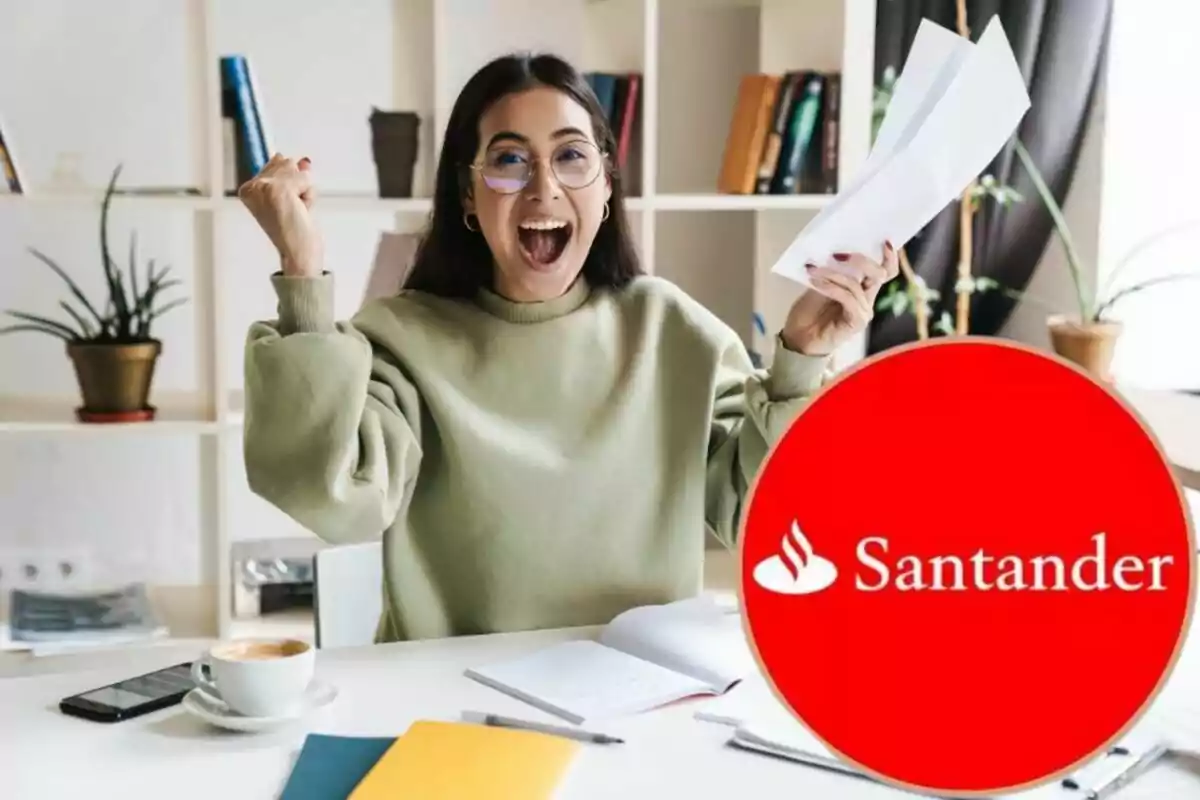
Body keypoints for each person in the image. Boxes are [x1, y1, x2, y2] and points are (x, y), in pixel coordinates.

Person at [238, 52, 898, 643]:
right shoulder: (401, 339)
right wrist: (302, 271)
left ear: (607, 187)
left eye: (571, 156)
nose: (544, 187)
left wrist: (802, 357)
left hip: (640, 698)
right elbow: (333, 500)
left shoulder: (672, 331)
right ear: (468, 194)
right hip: (454, 708)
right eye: (508, 159)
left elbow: (764, 523)